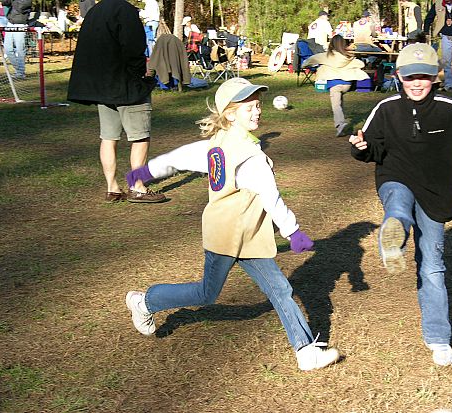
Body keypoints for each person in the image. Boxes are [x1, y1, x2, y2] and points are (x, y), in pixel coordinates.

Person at [125, 77, 341, 371]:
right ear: (229, 114)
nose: (257, 112)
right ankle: (144, 301)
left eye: (258, 105)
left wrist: (147, 171)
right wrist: (293, 232)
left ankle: (306, 351)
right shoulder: (251, 156)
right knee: (207, 293)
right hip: (229, 235)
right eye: (249, 107)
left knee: (280, 290)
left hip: (243, 235)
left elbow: (177, 158)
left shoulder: (218, 144)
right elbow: (271, 198)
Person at [348, 43, 452, 366]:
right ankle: (393, 239)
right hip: (396, 178)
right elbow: (370, 147)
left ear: (436, 77)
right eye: (411, 77)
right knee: (398, 206)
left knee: (432, 268)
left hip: (437, 195)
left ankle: (438, 338)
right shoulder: (386, 108)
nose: (417, 83)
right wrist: (360, 146)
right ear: (399, 75)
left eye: (425, 77)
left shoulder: (450, 108)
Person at [67, 0, 165, 203]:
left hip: (104, 86)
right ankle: (137, 186)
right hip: (127, 85)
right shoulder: (126, 11)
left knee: (108, 137)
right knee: (139, 136)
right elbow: (134, 46)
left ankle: (112, 187)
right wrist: (142, 73)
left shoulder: (95, 12)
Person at [302, 34, 370, 137]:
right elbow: (361, 64)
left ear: (331, 44)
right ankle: (341, 125)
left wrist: (307, 65)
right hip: (347, 84)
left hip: (335, 84)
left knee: (336, 106)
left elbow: (309, 61)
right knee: (340, 102)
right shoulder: (348, 57)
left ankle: (340, 124)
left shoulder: (326, 56)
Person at [1, 0, 31, 79]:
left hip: (21, 24)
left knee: (20, 49)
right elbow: (6, 2)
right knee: (7, 49)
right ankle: (19, 70)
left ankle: (20, 73)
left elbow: (20, 8)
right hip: (10, 23)